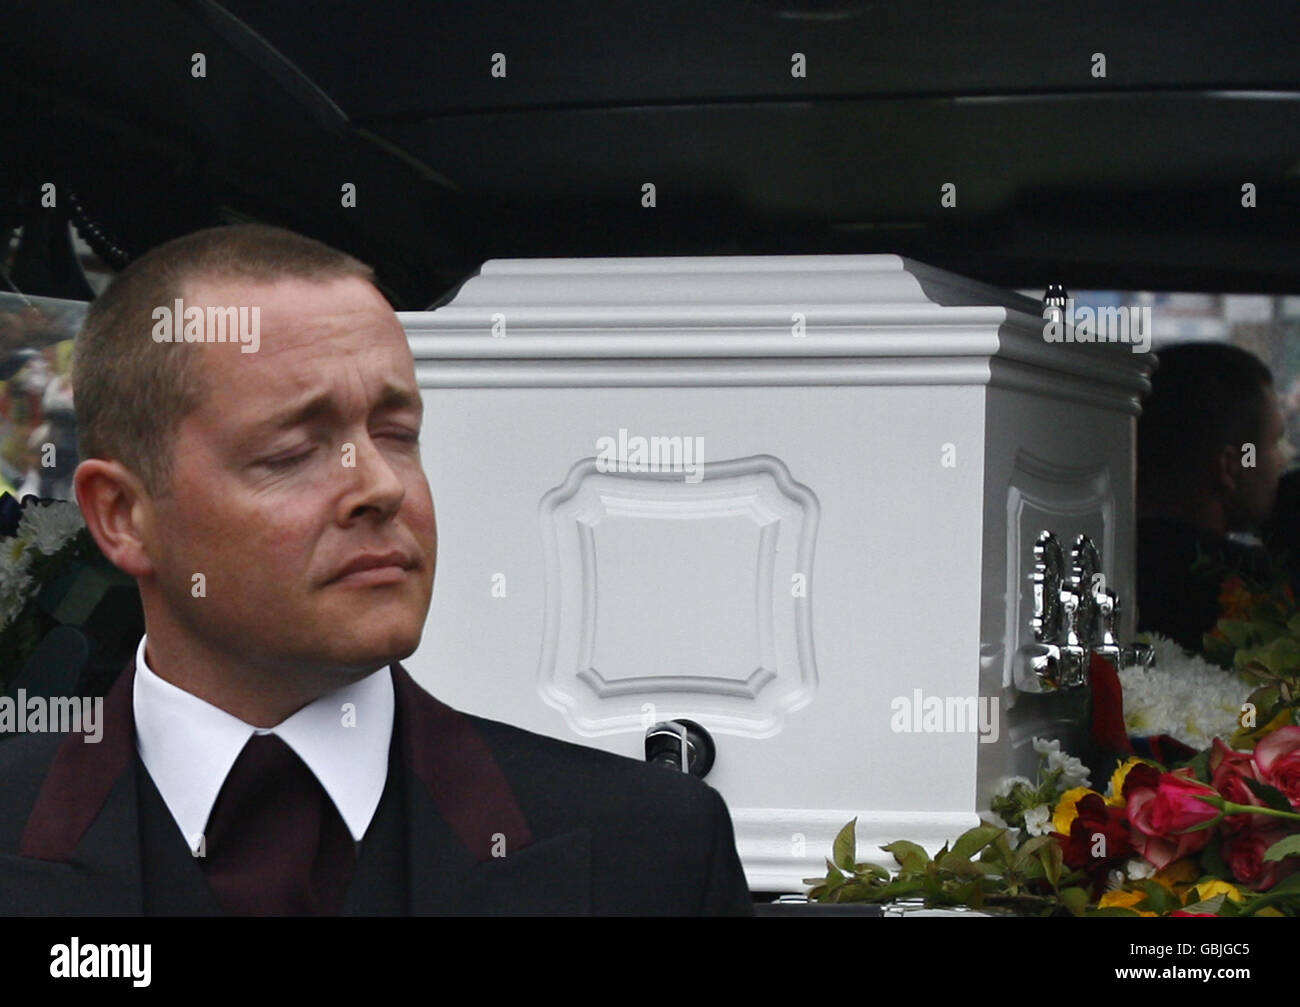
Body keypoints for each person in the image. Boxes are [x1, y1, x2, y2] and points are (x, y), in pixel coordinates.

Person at [0, 224, 754, 916]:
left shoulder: (652, 855)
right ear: (122, 515)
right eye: (293, 452)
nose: (382, 487)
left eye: (397, 434)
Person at [1135, 342, 1291, 654]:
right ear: (1231, 466)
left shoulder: (1101, 560)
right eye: (1275, 442)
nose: (1284, 460)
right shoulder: (1259, 589)